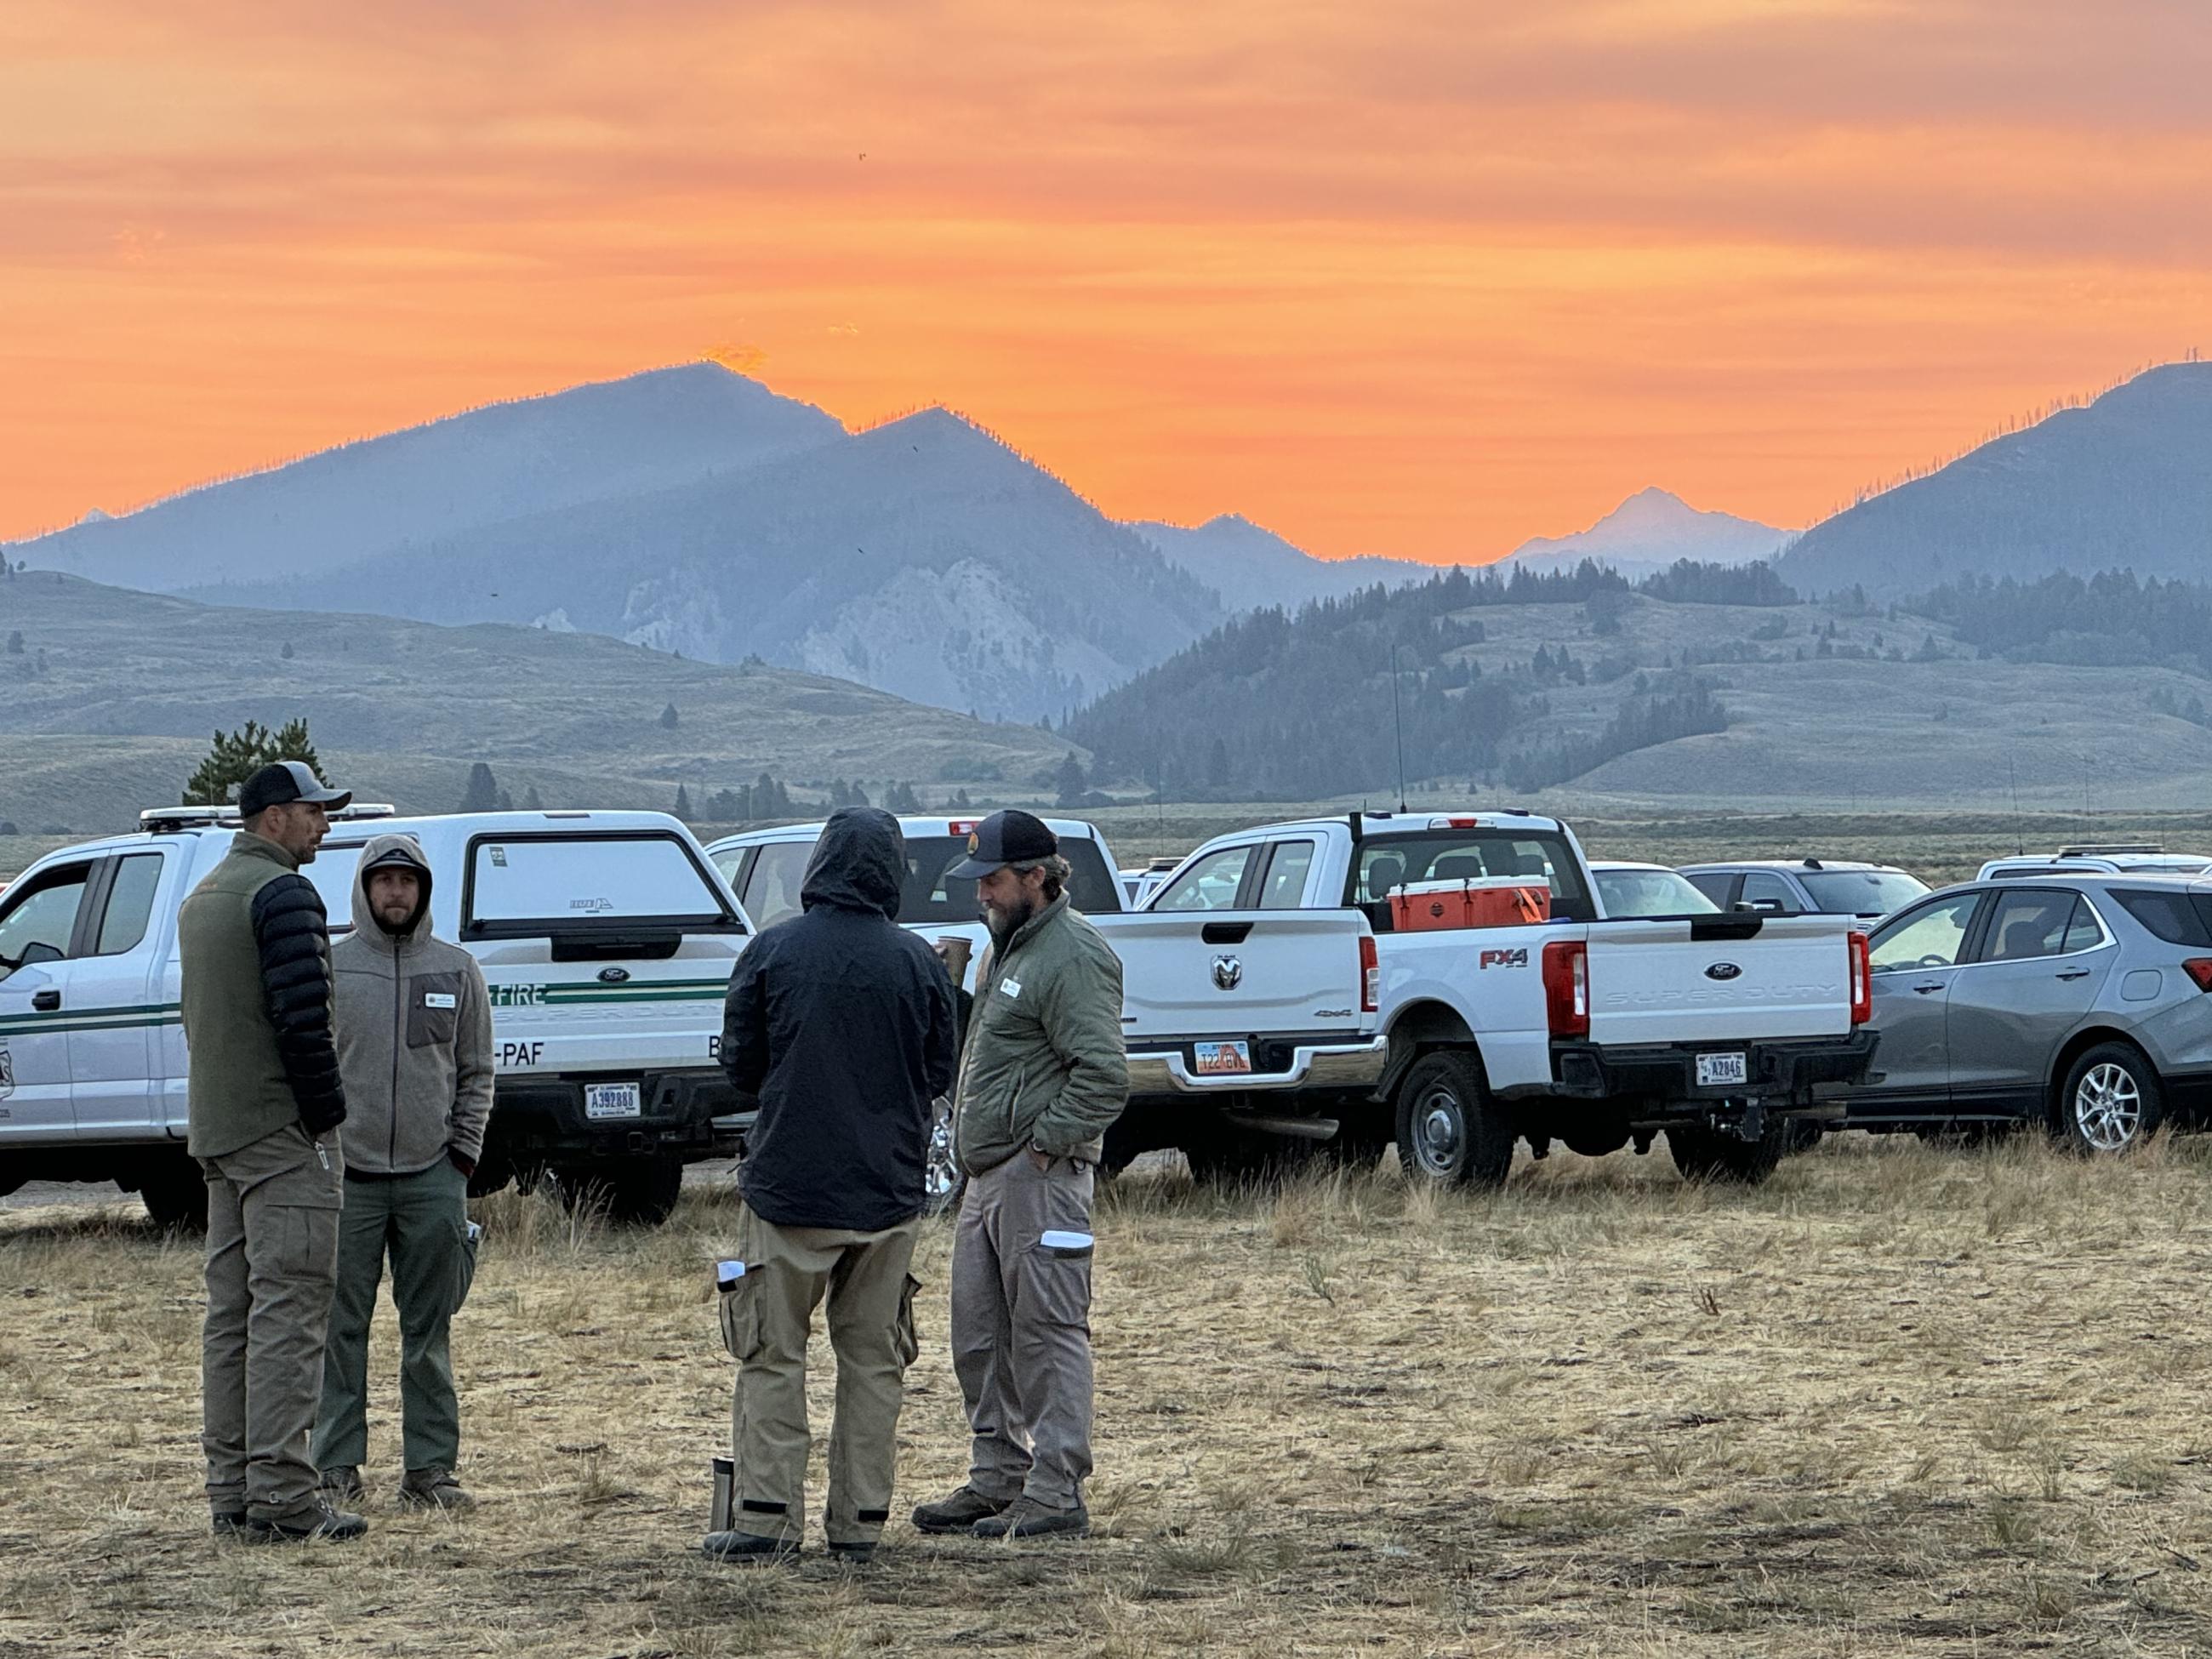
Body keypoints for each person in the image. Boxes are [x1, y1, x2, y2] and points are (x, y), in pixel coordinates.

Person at [704, 808, 960, 1565]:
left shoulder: (771, 951)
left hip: (789, 1187)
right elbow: (940, 1072)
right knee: (874, 1361)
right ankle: (860, 1523)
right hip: (888, 1192)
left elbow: (741, 1067)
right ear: (893, 872)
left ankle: (764, 1517)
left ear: (818, 865)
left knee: (772, 1355)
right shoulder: (918, 963)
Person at [912, 810, 1127, 1541]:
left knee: (1047, 1332)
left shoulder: (1072, 955)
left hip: (1036, 1178)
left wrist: (1042, 1148)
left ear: (1037, 877)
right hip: (990, 1179)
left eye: (995, 880)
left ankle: (1057, 1485)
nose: (982, 894)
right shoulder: (1010, 948)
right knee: (979, 1335)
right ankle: (999, 1476)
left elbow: (1102, 1077)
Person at [180, 760, 360, 1542]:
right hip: (281, 1136)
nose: (325, 824)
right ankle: (285, 1500)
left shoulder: (203, 896)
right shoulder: (281, 893)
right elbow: (303, 1021)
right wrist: (324, 1122)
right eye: (315, 811)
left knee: (234, 1316)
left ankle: (232, 1491)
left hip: (218, 1132)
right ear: (275, 818)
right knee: (290, 1314)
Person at [312, 835, 493, 1514]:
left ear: (423, 891)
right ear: (363, 888)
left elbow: (477, 1072)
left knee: (429, 1331)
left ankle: (431, 1472)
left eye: (407, 882)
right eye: (383, 881)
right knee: (339, 1331)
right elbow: (310, 1068)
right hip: (348, 1179)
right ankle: (334, 1467)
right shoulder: (332, 968)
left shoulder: (456, 970)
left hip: (432, 1178)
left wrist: (461, 1157)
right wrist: (325, 1154)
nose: (395, 893)